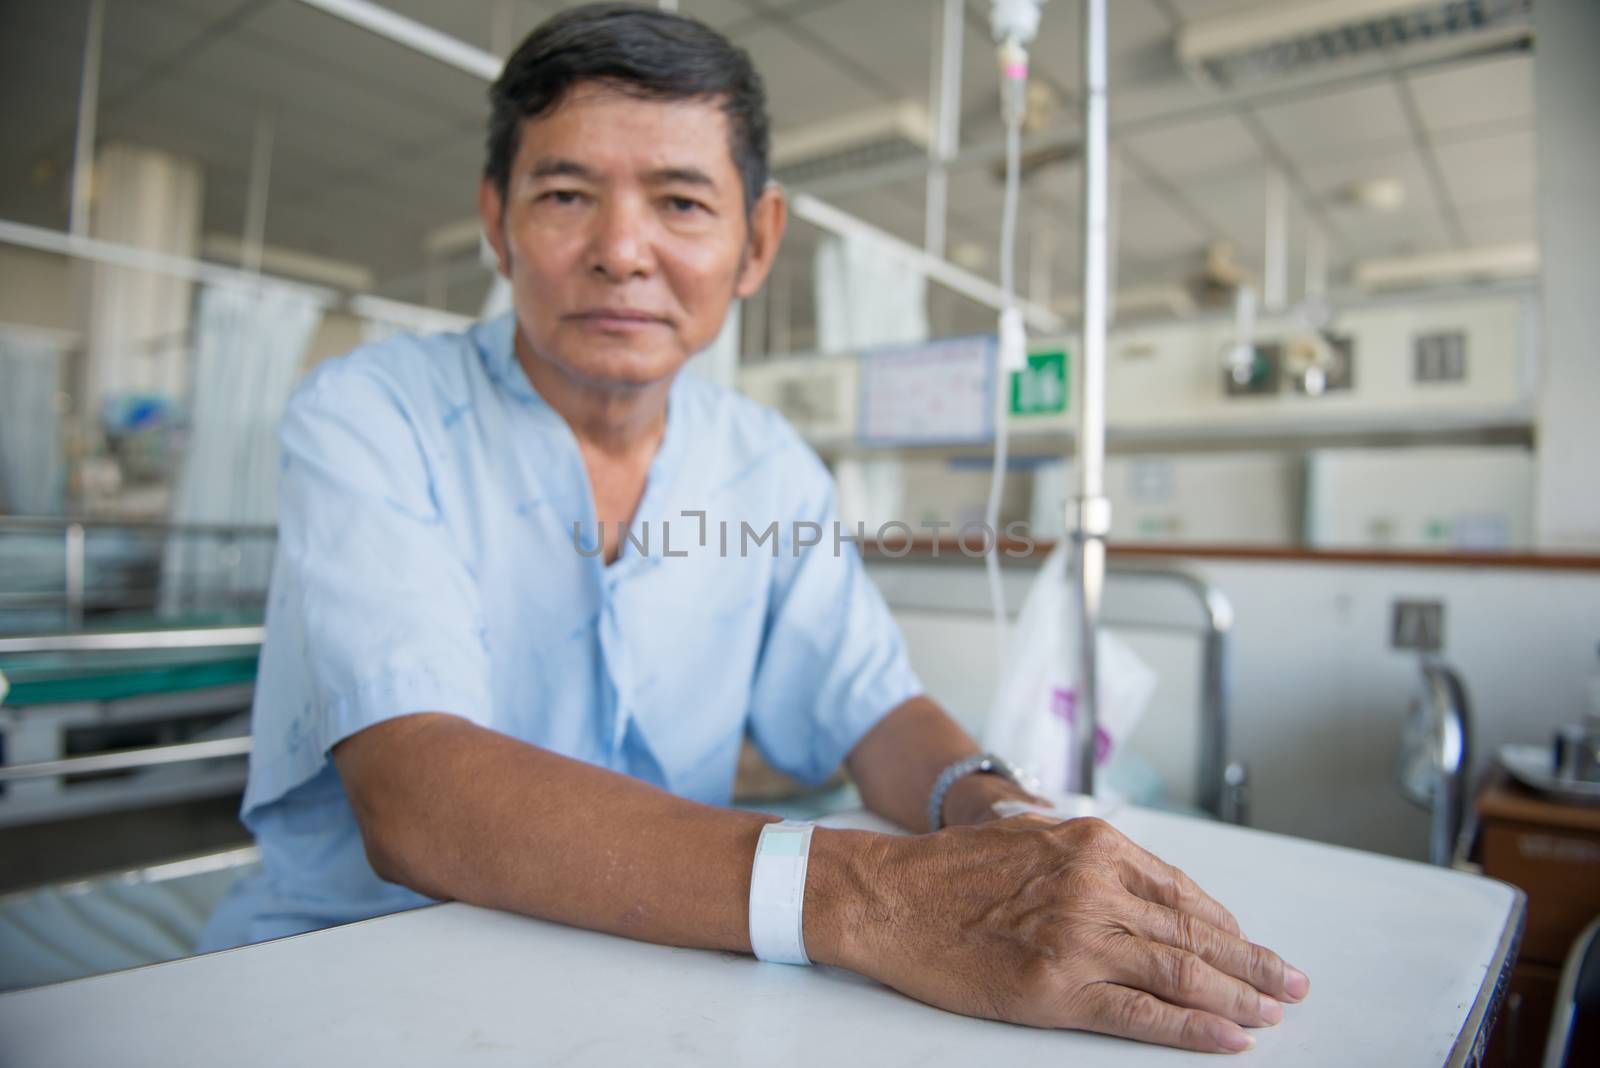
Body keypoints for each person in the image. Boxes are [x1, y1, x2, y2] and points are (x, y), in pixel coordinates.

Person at [202, 4, 1307, 1053]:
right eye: (567, 195)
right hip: (356, 984)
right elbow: (418, 796)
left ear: (756, 240)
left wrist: (998, 815)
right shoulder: (369, 417)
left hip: (659, 978)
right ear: (497, 218)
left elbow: (870, 705)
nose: (622, 250)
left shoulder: (766, 466)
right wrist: (862, 894)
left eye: (681, 202)